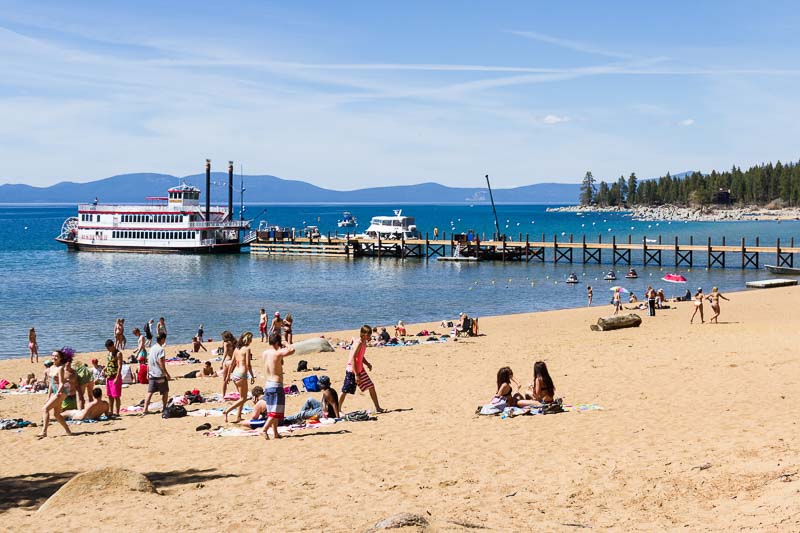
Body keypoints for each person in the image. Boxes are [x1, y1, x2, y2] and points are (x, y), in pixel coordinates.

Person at [339, 325, 385, 414]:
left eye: (370, 334)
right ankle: (338, 409)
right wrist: (356, 374)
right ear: (363, 334)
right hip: (352, 370)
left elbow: (360, 356)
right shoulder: (359, 343)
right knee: (345, 390)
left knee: (371, 386)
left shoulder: (363, 342)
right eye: (368, 335)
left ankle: (377, 407)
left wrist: (367, 364)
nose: (370, 337)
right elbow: (353, 358)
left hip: (360, 369)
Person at [261, 332, 295, 440]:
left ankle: (275, 433)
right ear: (277, 342)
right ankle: (264, 429)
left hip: (268, 384)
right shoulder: (277, 353)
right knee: (275, 412)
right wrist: (286, 343)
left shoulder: (265, 353)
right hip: (276, 385)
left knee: (272, 411)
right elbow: (292, 350)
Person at [38, 348, 74, 438]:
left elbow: (61, 383)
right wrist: (48, 396)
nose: (54, 357)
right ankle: (68, 431)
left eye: (56, 356)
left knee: (45, 409)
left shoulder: (60, 368)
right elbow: (51, 383)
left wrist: (58, 392)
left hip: (61, 392)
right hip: (55, 391)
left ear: (60, 358)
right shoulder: (51, 368)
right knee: (56, 414)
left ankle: (44, 432)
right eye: (53, 355)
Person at [223, 332, 255, 423]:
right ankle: (227, 411)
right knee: (243, 398)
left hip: (235, 374)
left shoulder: (236, 349)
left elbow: (232, 363)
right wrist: (252, 376)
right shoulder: (247, 349)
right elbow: (248, 364)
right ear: (248, 340)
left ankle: (238, 416)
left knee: (241, 397)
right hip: (241, 375)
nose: (251, 341)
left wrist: (228, 375)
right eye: (251, 339)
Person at [143, 333, 171, 415]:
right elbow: (161, 363)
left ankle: (145, 409)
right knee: (165, 391)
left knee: (150, 392)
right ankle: (164, 407)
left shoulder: (152, 348)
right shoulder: (161, 349)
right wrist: (166, 373)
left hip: (152, 374)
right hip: (159, 375)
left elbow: (149, 362)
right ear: (162, 339)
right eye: (164, 339)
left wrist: (148, 372)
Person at [104, 339, 123, 416]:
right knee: (110, 395)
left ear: (112, 346)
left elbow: (119, 366)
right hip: (108, 376)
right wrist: (104, 369)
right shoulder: (109, 353)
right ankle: (111, 411)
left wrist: (117, 377)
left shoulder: (118, 354)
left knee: (116, 396)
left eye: (109, 348)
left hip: (115, 376)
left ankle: (117, 412)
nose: (108, 350)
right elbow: (109, 363)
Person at [220, 330, 237, 397]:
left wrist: (221, 362)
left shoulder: (226, 343)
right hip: (234, 361)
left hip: (228, 361)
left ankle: (223, 396)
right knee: (236, 378)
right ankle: (241, 393)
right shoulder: (235, 341)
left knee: (224, 380)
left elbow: (225, 352)